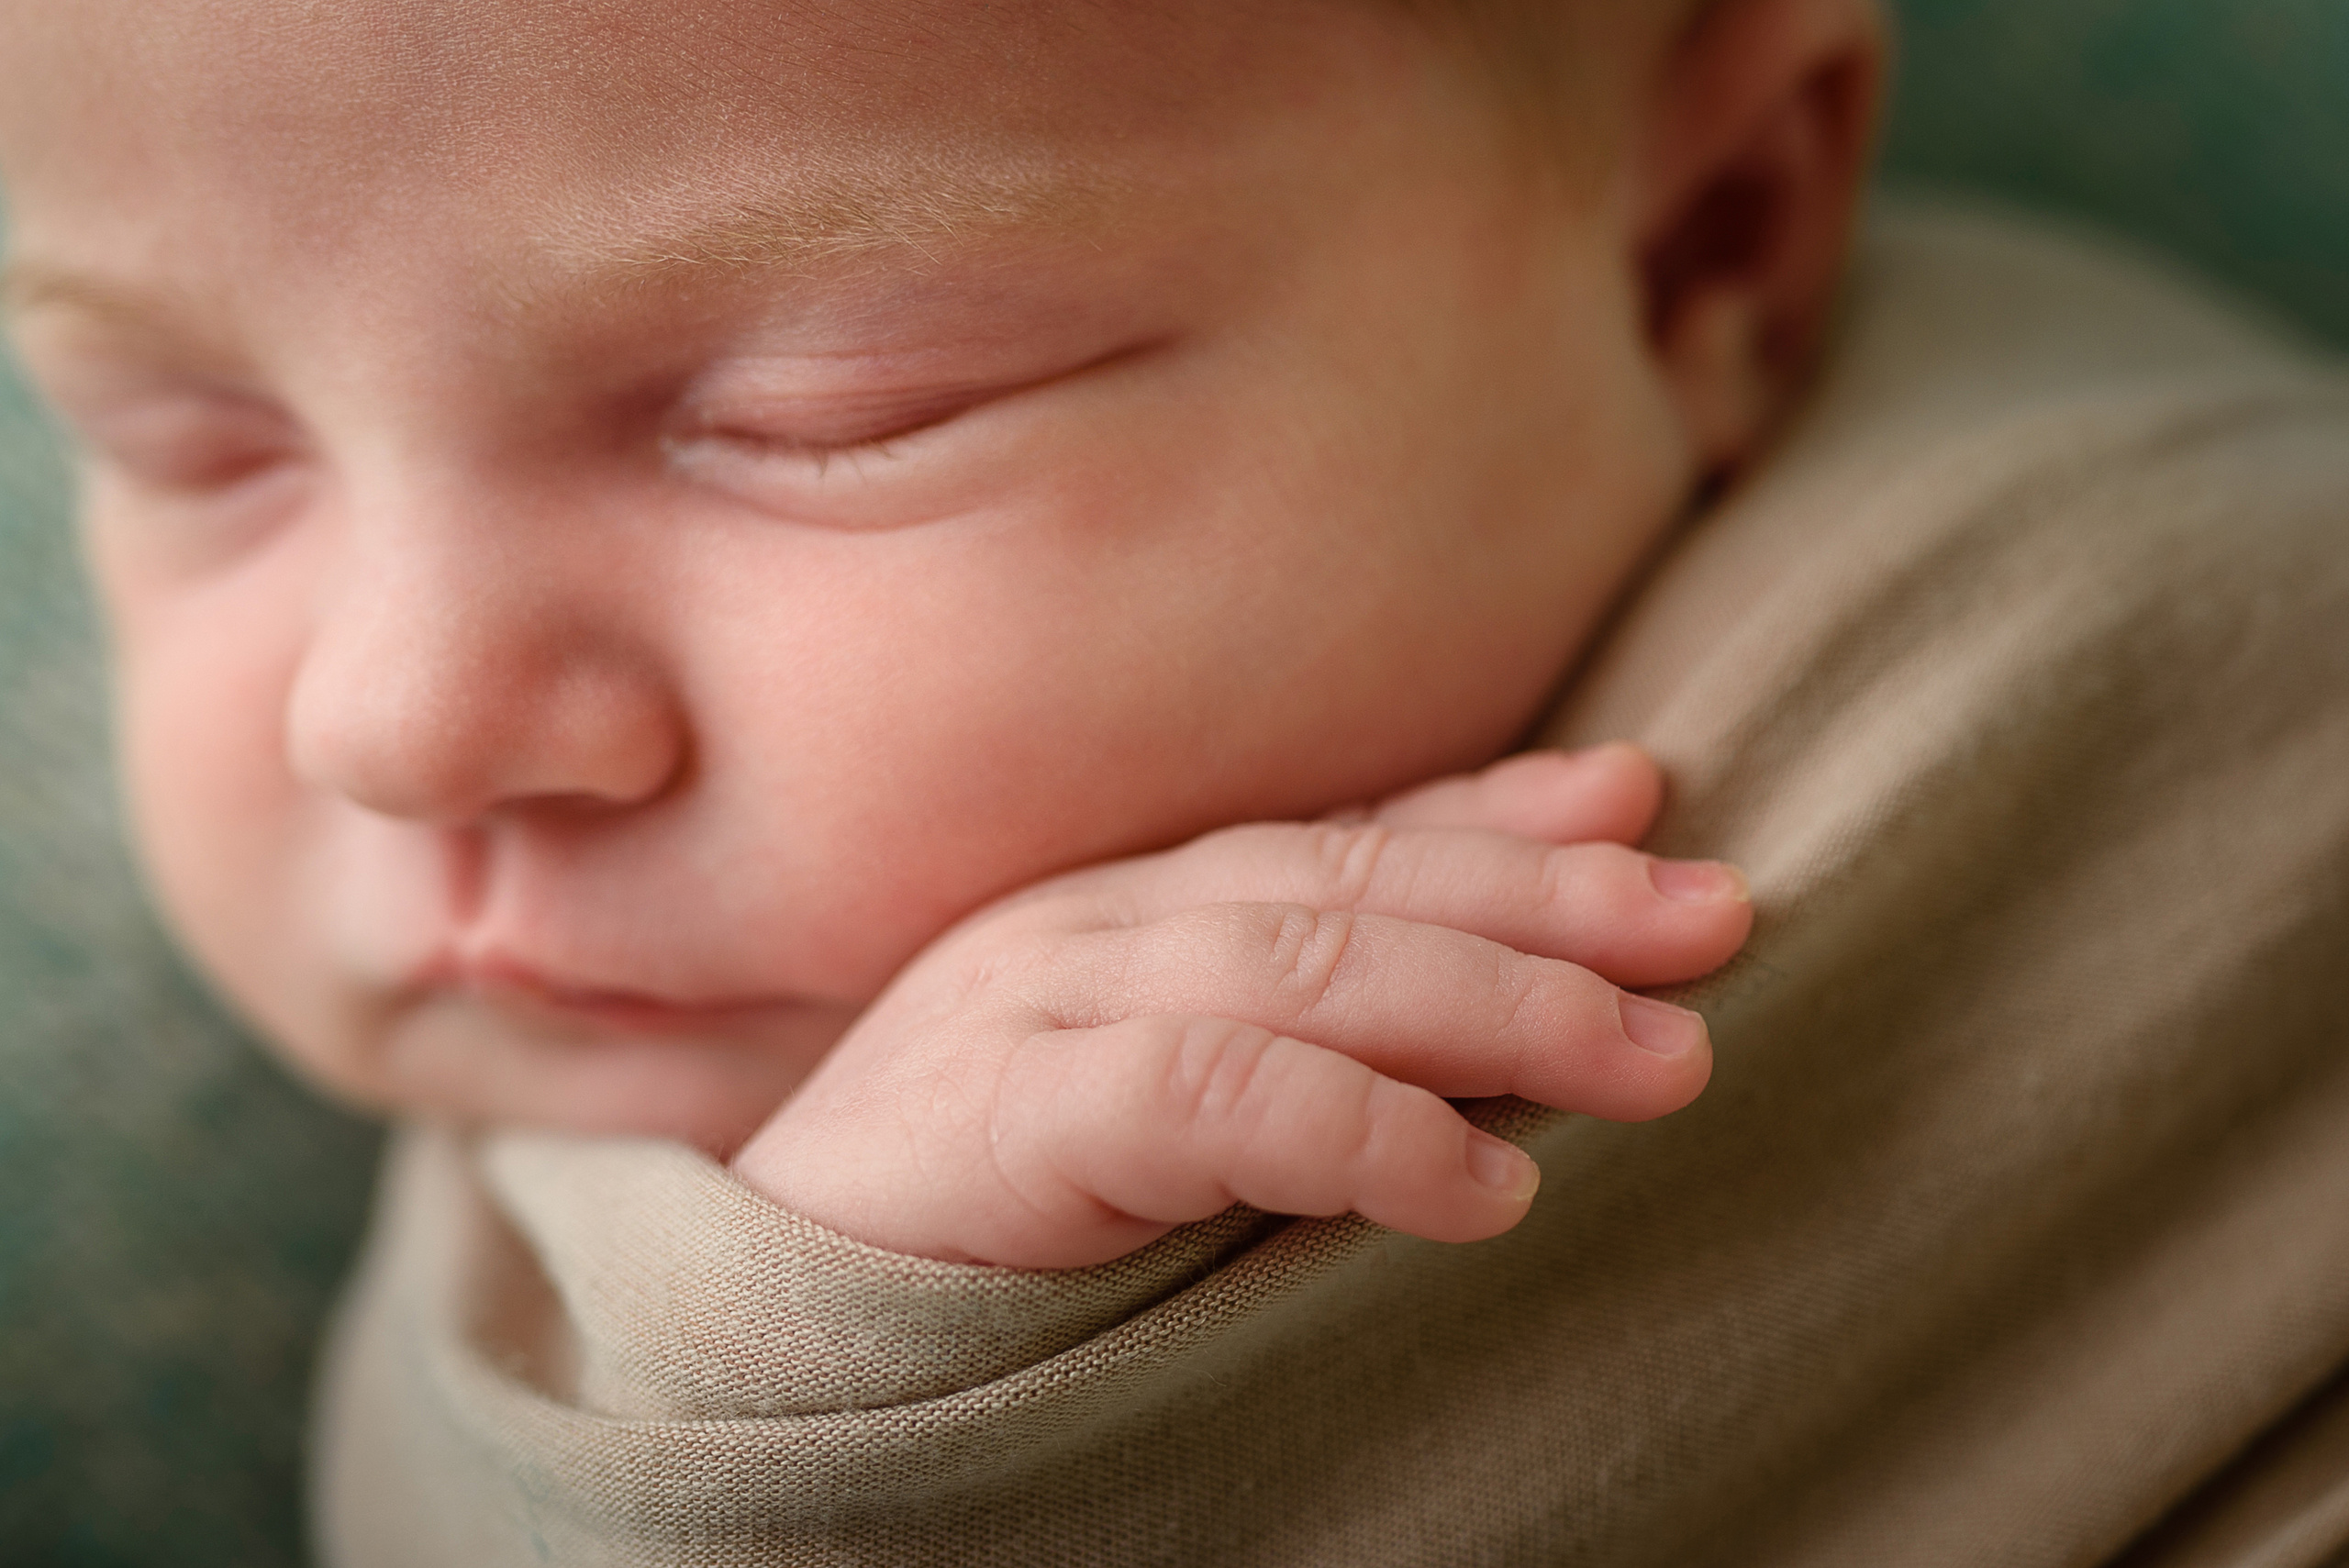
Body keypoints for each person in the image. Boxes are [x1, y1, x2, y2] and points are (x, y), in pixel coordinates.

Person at [5, 0, 2347, 1562]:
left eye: (835, 415)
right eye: (179, 447)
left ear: (1697, 250)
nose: (392, 724)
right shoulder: (621, 1036)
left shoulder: (2142, 627)